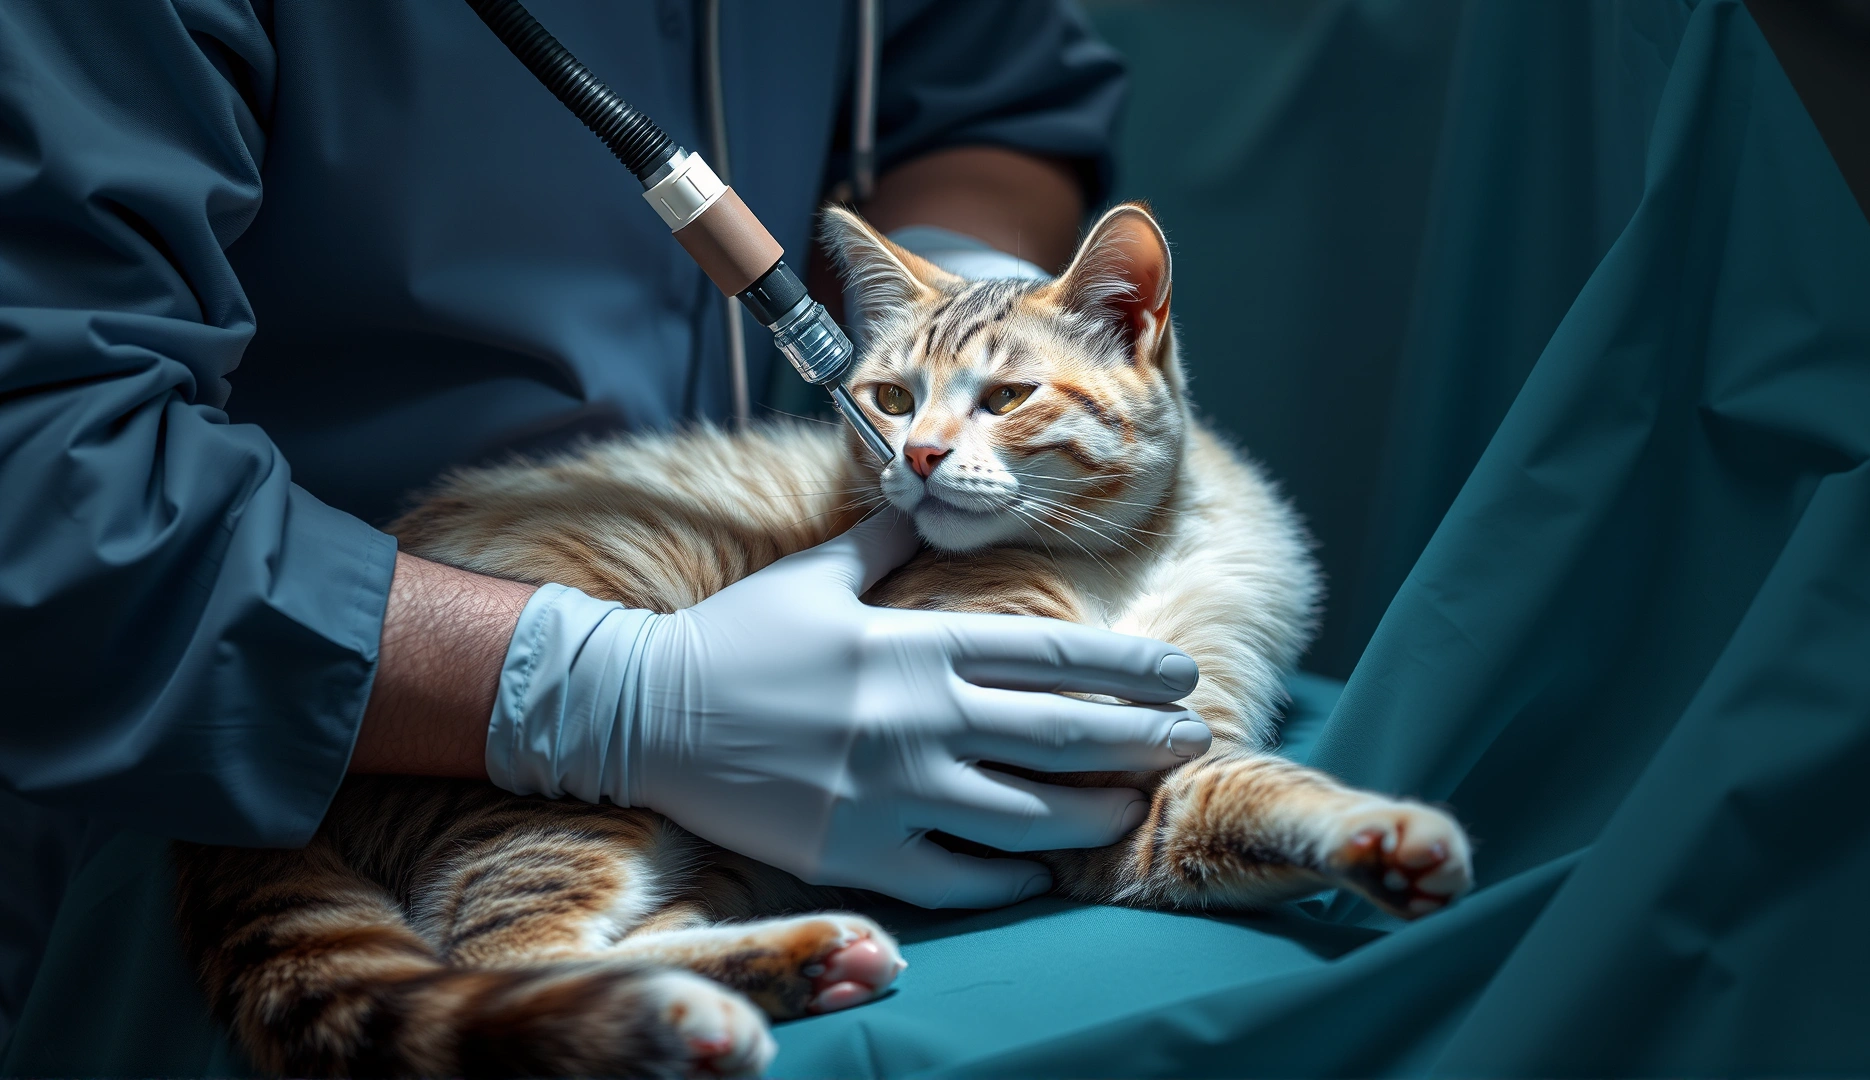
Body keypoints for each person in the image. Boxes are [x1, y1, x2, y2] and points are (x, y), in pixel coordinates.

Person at [0, 0, 1214, 1042]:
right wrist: (610, 693)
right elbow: (47, 482)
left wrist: (952, 325)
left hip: (735, 716)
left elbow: (992, 89)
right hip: (237, 729)